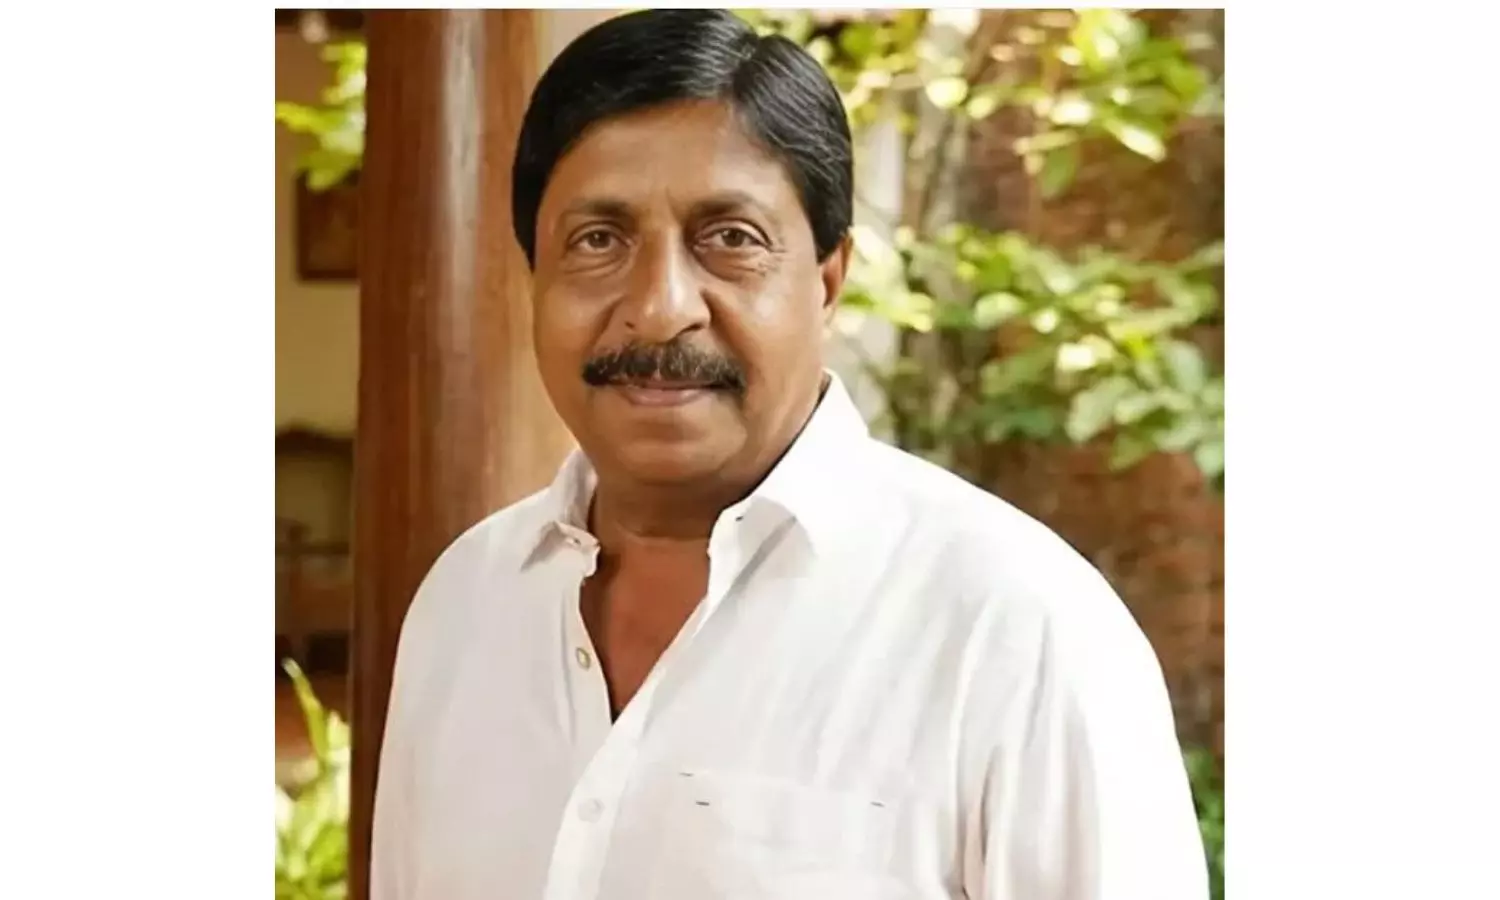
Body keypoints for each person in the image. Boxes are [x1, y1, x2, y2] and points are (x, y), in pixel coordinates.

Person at [370, 9, 1208, 900]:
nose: (661, 308)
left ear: (828, 281)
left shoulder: (1015, 627)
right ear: (534, 280)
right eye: (598, 240)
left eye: (729, 238)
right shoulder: (466, 603)